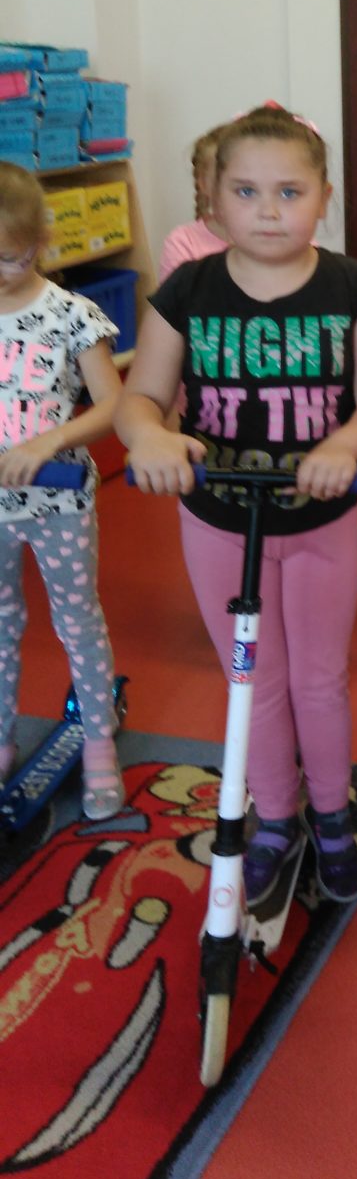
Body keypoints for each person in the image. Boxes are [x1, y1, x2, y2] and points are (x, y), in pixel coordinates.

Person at [117, 107, 357, 904]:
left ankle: (333, 813)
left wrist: (345, 446)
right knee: (255, 680)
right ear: (213, 200)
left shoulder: (352, 287)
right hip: (217, 522)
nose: (268, 210)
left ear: (323, 198)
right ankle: (275, 815)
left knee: (320, 679)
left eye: (289, 191)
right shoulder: (189, 288)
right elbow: (140, 396)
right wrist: (150, 437)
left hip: (319, 523)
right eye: (246, 191)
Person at [0, 163, 125, 818]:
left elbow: (115, 406)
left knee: (76, 619)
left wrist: (49, 443)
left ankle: (98, 742)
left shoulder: (71, 315)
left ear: (41, 241)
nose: (1, 271)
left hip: (58, 502)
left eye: (12, 256)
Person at [158, 124, 229, 282]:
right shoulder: (182, 243)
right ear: (203, 183)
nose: (232, 193)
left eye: (247, 187)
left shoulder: (269, 239)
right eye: (221, 180)